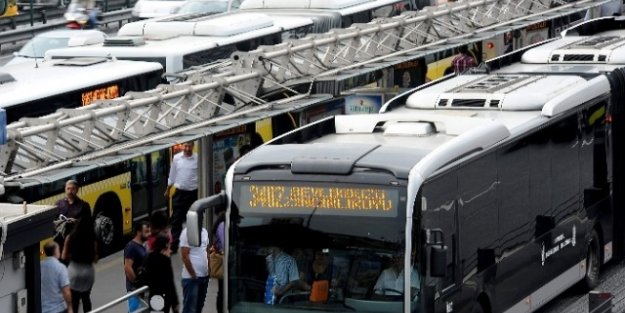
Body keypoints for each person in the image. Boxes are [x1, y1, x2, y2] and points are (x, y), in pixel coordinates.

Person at [62, 207, 98, 313]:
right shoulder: (92, 237)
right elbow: (95, 258)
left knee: (75, 300)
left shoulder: (71, 237)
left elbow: (64, 256)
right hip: (88, 272)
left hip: (74, 270)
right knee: (86, 298)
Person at [165, 142, 198, 254]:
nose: (187, 148)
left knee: (193, 220)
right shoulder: (176, 158)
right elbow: (172, 174)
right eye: (185, 146)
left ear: (193, 146)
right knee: (176, 220)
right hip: (179, 194)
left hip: (193, 193)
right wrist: (168, 189)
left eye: (189, 146)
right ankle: (174, 246)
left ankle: (194, 244)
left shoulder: (197, 159)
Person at [145, 234, 180, 313]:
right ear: (166, 245)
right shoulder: (165, 260)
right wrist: (175, 302)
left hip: (154, 296)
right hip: (164, 297)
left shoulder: (149, 257)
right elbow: (170, 283)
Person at [54, 180, 91, 253]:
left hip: (77, 241)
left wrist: (76, 221)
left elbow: (88, 223)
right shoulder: (59, 204)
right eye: (68, 188)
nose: (70, 191)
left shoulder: (83, 205)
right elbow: (54, 221)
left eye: (73, 189)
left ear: (77, 190)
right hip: (61, 240)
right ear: (65, 189)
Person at [179, 226, 209, 313]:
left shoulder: (204, 232)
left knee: (198, 308)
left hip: (204, 276)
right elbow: (184, 255)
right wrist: (193, 275)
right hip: (191, 279)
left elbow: (205, 250)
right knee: (190, 309)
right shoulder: (187, 232)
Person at [124, 220, 150, 312]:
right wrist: (136, 283)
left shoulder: (143, 245)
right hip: (135, 290)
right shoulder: (131, 247)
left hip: (141, 289)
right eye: (146, 232)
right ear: (139, 232)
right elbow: (127, 267)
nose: (149, 234)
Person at [41, 242, 73, 313]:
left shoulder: (40, 266)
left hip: (43, 309)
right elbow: (66, 291)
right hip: (58, 309)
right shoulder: (60, 267)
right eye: (58, 249)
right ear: (56, 251)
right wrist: (70, 308)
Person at [211, 211, 226, 313]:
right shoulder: (222, 226)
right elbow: (225, 244)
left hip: (223, 260)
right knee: (222, 290)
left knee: (222, 290)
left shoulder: (221, 225)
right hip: (223, 261)